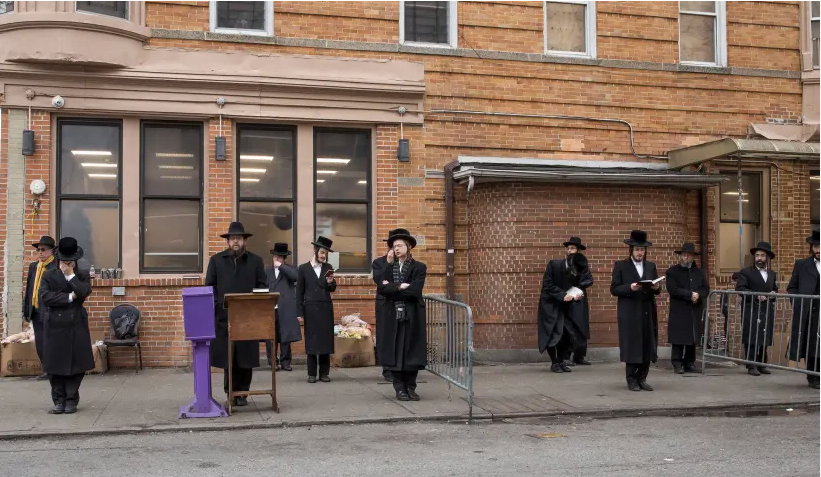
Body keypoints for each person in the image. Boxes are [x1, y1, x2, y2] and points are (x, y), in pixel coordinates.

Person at [205, 222, 267, 407]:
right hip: (225, 317)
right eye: (233, 239)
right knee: (228, 357)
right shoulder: (216, 261)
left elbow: (263, 286)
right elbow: (210, 287)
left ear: (245, 241)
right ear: (228, 242)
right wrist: (218, 305)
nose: (236, 242)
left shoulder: (256, 261)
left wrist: (254, 304)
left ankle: (243, 393)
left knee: (246, 357)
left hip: (248, 318)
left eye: (239, 238)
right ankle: (230, 392)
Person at [38, 237, 94, 414]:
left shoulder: (81, 274)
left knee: (76, 365)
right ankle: (58, 399)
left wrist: (70, 276)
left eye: (70, 261)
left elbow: (84, 292)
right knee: (55, 365)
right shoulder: (49, 275)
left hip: (76, 322)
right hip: (54, 323)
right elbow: (45, 297)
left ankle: (71, 399)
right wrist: (69, 297)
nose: (66, 264)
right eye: (64, 261)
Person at [378, 228, 427, 401]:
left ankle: (411, 387)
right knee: (396, 352)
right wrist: (400, 287)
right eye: (393, 246)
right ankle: (399, 388)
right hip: (393, 315)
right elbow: (382, 289)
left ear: (408, 247)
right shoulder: (388, 268)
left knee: (411, 352)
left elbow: (415, 290)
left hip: (412, 315)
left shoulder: (419, 267)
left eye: (399, 245)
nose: (396, 249)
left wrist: (394, 289)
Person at [610, 230, 661, 391]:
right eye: (637, 249)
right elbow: (614, 289)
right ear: (631, 250)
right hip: (630, 311)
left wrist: (657, 287)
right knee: (632, 344)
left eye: (642, 250)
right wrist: (630, 287)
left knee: (647, 343)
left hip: (647, 309)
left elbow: (656, 289)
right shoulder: (621, 266)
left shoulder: (651, 266)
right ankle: (631, 378)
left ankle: (642, 377)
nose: (640, 252)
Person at [537, 239, 591, 373]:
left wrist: (577, 294)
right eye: (569, 248)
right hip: (551, 304)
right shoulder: (554, 265)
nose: (569, 250)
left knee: (567, 335)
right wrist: (562, 295)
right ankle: (554, 362)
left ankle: (561, 361)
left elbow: (583, 283)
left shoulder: (579, 267)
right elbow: (548, 285)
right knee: (553, 334)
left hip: (567, 305)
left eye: (573, 248)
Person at [296, 236, 337, 383]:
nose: (323, 255)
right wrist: (299, 312)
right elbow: (299, 292)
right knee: (312, 341)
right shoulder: (304, 269)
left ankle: (324, 373)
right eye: (321, 252)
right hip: (311, 309)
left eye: (325, 253)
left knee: (325, 341)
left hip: (325, 307)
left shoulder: (328, 268)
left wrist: (331, 283)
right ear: (315, 251)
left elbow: (332, 288)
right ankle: (312, 374)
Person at [735, 241, 778, 377]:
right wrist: (755, 296)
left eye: (762, 255)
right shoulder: (746, 272)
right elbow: (740, 288)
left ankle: (761, 364)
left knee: (764, 337)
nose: (759, 258)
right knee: (752, 336)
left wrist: (773, 294)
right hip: (751, 308)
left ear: (767, 258)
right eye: (757, 255)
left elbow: (775, 289)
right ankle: (751, 365)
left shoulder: (771, 274)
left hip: (766, 309)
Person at [665, 243, 709, 374]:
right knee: (678, 337)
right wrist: (689, 294)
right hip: (679, 308)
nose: (685, 257)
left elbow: (705, 289)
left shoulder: (700, 273)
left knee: (692, 337)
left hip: (694, 309)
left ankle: (690, 362)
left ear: (693, 257)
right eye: (683, 255)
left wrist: (698, 295)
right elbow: (672, 289)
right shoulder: (672, 271)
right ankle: (677, 363)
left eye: (688, 255)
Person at [787, 230, 820, 389]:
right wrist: (799, 304)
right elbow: (792, 288)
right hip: (809, 313)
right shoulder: (802, 265)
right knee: (811, 345)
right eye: (815, 246)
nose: (818, 250)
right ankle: (813, 377)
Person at [23, 235, 58, 380]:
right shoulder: (34, 266)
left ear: (52, 251)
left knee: (51, 342)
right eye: (38, 250)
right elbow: (30, 289)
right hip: (36, 310)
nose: (40, 253)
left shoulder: (55, 266)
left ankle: (55, 371)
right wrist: (26, 311)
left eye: (44, 250)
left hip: (50, 311)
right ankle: (47, 370)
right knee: (40, 343)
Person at [265, 243, 301, 372]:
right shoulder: (266, 270)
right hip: (270, 307)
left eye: (280, 257)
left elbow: (296, 277)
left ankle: (286, 361)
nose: (277, 259)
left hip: (285, 307)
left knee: (285, 335)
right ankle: (273, 362)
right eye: (275, 256)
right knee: (271, 336)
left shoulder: (291, 269)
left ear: (284, 258)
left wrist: (281, 267)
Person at [372, 235, 395, 382]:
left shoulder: (406, 262)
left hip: (400, 302)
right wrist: (388, 263)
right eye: (393, 245)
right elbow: (379, 281)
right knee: (385, 335)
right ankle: (387, 369)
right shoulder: (378, 262)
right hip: (384, 303)